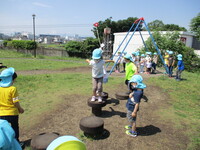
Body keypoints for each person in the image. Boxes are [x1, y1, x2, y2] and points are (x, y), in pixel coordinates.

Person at [0, 67, 24, 143]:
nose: (14, 81)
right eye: (14, 80)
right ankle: (16, 142)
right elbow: (15, 101)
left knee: (3, 130)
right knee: (15, 127)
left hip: (1, 114)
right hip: (12, 113)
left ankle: (5, 143)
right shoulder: (13, 89)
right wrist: (20, 109)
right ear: (10, 79)